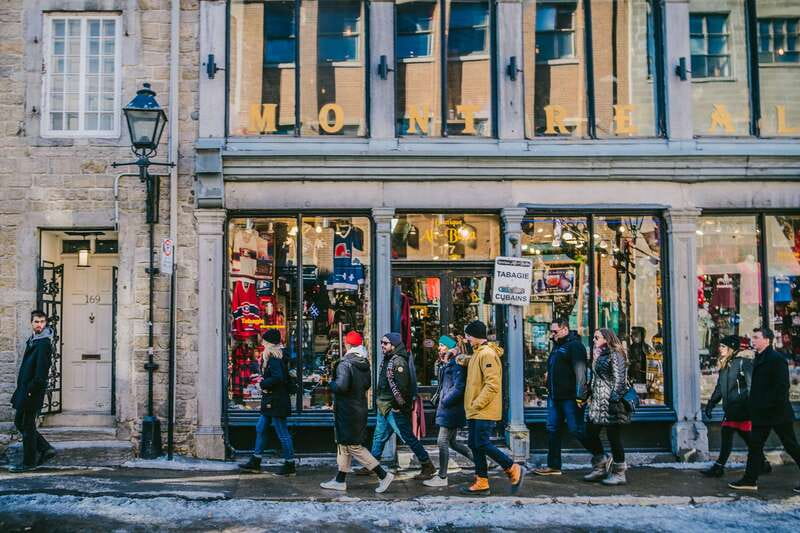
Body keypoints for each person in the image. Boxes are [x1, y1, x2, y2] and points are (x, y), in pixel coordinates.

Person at [320, 331, 395, 493]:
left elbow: (341, 386)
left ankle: (383, 475)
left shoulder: (345, 364)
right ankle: (340, 480)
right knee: (344, 445)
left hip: (347, 411)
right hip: (358, 408)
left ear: (347, 344)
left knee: (353, 446)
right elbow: (367, 385)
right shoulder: (364, 363)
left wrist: (329, 383)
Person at [729, 327, 800, 494]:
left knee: (791, 446)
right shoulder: (759, 357)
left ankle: (749, 479)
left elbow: (782, 387)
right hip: (763, 413)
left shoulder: (776, 359)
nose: (753, 340)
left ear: (767, 340)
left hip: (777, 413)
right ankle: (749, 480)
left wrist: (767, 405)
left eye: (756, 337)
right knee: (755, 446)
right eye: (753, 337)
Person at [459, 321, 524, 496]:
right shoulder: (479, 353)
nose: (466, 339)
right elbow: (470, 361)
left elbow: (492, 384)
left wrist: (477, 403)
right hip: (476, 410)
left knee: (481, 442)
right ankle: (481, 481)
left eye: (468, 336)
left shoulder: (487, 354)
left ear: (474, 336)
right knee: (474, 443)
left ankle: (512, 467)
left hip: (483, 410)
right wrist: (457, 356)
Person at [361, 332, 437, 480]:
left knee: (407, 437)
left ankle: (427, 465)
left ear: (393, 345)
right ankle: (372, 465)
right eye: (382, 342)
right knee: (379, 437)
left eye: (385, 343)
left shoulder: (398, 362)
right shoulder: (389, 359)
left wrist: (397, 406)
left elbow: (403, 388)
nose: (382, 345)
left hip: (392, 408)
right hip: (383, 405)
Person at [700, 335, 770, 478]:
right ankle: (761, 463)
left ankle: (721, 467)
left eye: (723, 346)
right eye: (720, 346)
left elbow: (752, 386)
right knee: (735, 436)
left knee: (746, 439)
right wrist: (711, 404)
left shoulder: (743, 363)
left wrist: (752, 406)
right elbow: (720, 388)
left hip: (742, 409)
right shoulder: (725, 365)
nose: (720, 349)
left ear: (731, 348)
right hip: (731, 408)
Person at [533, 318, 588, 476]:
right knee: (552, 430)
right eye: (551, 331)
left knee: (576, 429)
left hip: (570, 397)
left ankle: (600, 456)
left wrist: (580, 396)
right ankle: (554, 465)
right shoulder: (557, 347)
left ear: (565, 329)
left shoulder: (575, 346)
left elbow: (581, 373)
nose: (552, 334)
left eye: (555, 331)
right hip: (554, 396)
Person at [239, 329, 296, 476]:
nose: (262, 342)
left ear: (269, 343)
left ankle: (290, 465)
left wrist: (263, 384)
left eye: (264, 340)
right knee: (260, 428)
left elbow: (278, 378)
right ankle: (255, 461)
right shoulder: (273, 356)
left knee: (282, 432)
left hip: (276, 400)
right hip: (271, 400)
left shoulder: (274, 359)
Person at [582, 329, 631, 485]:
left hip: (610, 403)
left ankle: (619, 473)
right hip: (598, 402)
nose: (594, 340)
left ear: (607, 338)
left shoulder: (616, 354)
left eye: (597, 337)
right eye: (594, 337)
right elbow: (597, 378)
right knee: (589, 432)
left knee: (614, 438)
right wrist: (588, 394)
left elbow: (620, 380)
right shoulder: (600, 354)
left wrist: (614, 400)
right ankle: (601, 464)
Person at [424, 335, 473, 487]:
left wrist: (445, 401)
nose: (439, 348)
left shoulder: (456, 363)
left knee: (442, 441)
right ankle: (480, 462)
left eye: (442, 345)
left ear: (450, 347)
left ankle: (442, 477)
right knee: (452, 442)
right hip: (449, 408)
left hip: (452, 409)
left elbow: (459, 387)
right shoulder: (448, 362)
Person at [10, 310, 56, 472]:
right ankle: (45, 448)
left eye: (42, 322)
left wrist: (31, 389)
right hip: (25, 388)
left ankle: (29, 463)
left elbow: (41, 372)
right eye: (36, 321)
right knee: (19, 422)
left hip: (32, 390)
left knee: (27, 426)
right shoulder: (33, 340)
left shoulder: (43, 343)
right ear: (31, 323)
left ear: (46, 323)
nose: (39, 325)